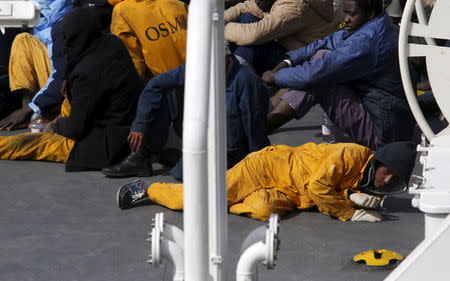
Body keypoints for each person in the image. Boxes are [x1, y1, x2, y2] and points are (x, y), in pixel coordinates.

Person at [115, 141, 417, 222]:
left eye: (392, 179)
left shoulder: (366, 178)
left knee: (262, 210)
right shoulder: (351, 155)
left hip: (290, 192)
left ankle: (225, 199)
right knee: (202, 200)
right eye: (387, 171)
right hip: (266, 168)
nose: (386, 179)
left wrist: (352, 196)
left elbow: (331, 189)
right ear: (380, 160)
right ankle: (149, 188)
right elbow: (319, 187)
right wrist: (348, 211)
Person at [0, 7, 143, 172]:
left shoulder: (86, 74)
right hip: (125, 126)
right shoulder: (112, 43)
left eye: (66, 38)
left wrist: (54, 126)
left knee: (25, 144)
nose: (65, 44)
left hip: (105, 144)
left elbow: (75, 128)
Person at [262, 0, 414, 150]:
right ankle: (263, 120)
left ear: (370, 14)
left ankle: (261, 129)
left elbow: (313, 74)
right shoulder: (375, 24)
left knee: (318, 81)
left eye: (351, 14)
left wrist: (275, 77)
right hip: (387, 116)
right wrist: (287, 62)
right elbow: (325, 43)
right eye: (345, 12)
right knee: (321, 56)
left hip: (384, 132)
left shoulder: (366, 41)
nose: (346, 18)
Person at [102, 49, 271, 179]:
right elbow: (155, 84)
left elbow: (254, 125)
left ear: (227, 60)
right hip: (203, 137)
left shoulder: (246, 80)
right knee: (168, 91)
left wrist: (258, 165)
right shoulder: (200, 68)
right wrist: (140, 124)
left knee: (189, 176)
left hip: (228, 151)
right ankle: (142, 155)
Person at [0, 0, 72, 131]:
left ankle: (31, 113)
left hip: (62, 92)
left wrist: (31, 108)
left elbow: (60, 74)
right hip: (46, 92)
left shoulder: (59, 20)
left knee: (22, 40)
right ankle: (30, 112)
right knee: (22, 39)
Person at [224, 0, 337, 74]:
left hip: (300, 63)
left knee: (249, 46)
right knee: (247, 17)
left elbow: (253, 35)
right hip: (286, 50)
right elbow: (246, 6)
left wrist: (218, 28)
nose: (256, 1)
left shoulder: (294, 7)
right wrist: (220, 20)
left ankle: (233, 86)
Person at [109, 0, 188, 82]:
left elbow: (132, 59)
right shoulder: (177, 3)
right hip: (195, 75)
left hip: (163, 84)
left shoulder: (121, 11)